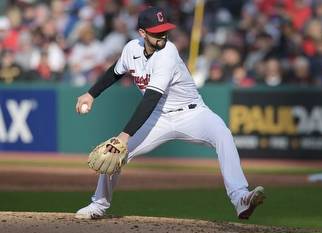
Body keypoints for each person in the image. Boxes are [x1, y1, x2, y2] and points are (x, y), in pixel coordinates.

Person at [74, 6, 265, 220]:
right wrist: (91, 94)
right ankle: (98, 205)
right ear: (142, 33)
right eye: (156, 31)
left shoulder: (168, 53)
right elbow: (115, 72)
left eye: (165, 29)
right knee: (113, 153)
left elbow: (151, 97)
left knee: (223, 134)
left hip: (192, 113)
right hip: (157, 117)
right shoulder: (131, 49)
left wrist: (123, 136)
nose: (162, 34)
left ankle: (240, 198)